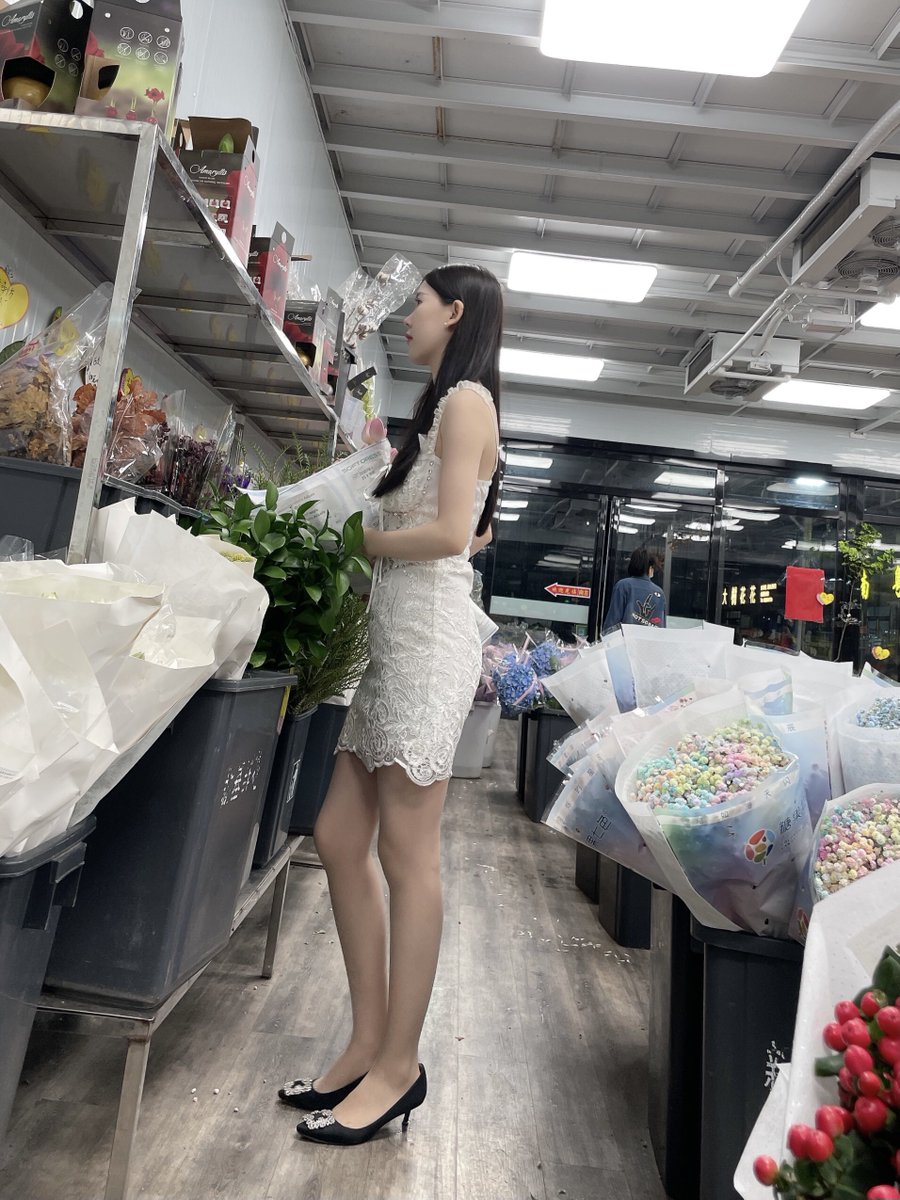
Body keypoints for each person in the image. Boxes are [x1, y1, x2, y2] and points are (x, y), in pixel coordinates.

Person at [279, 265, 503, 1146]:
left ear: (455, 312)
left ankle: (400, 1067)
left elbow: (449, 537)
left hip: (427, 645)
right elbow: (473, 528)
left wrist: (354, 538)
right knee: (340, 836)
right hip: (392, 643)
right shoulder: (440, 411)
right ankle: (367, 1043)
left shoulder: (468, 402)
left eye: (419, 304)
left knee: (408, 853)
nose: (408, 316)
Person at [602, 547, 667, 634]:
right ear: (650, 568)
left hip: (626, 641)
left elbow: (613, 622)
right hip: (649, 641)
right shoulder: (659, 593)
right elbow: (661, 627)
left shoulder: (623, 586)